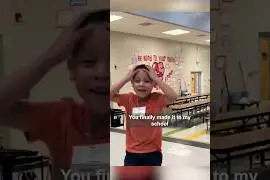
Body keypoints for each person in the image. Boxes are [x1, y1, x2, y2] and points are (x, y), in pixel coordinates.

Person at [0, 9, 109, 179]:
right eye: (89, 62)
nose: (102, 73)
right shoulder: (61, 119)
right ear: (72, 69)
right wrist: (50, 57)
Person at [110, 64, 178, 166]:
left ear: (153, 84)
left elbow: (173, 96)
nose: (141, 84)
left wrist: (156, 78)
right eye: (137, 81)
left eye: (147, 81)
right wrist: (126, 78)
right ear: (132, 83)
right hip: (132, 153)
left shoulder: (157, 99)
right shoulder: (128, 99)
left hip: (153, 153)